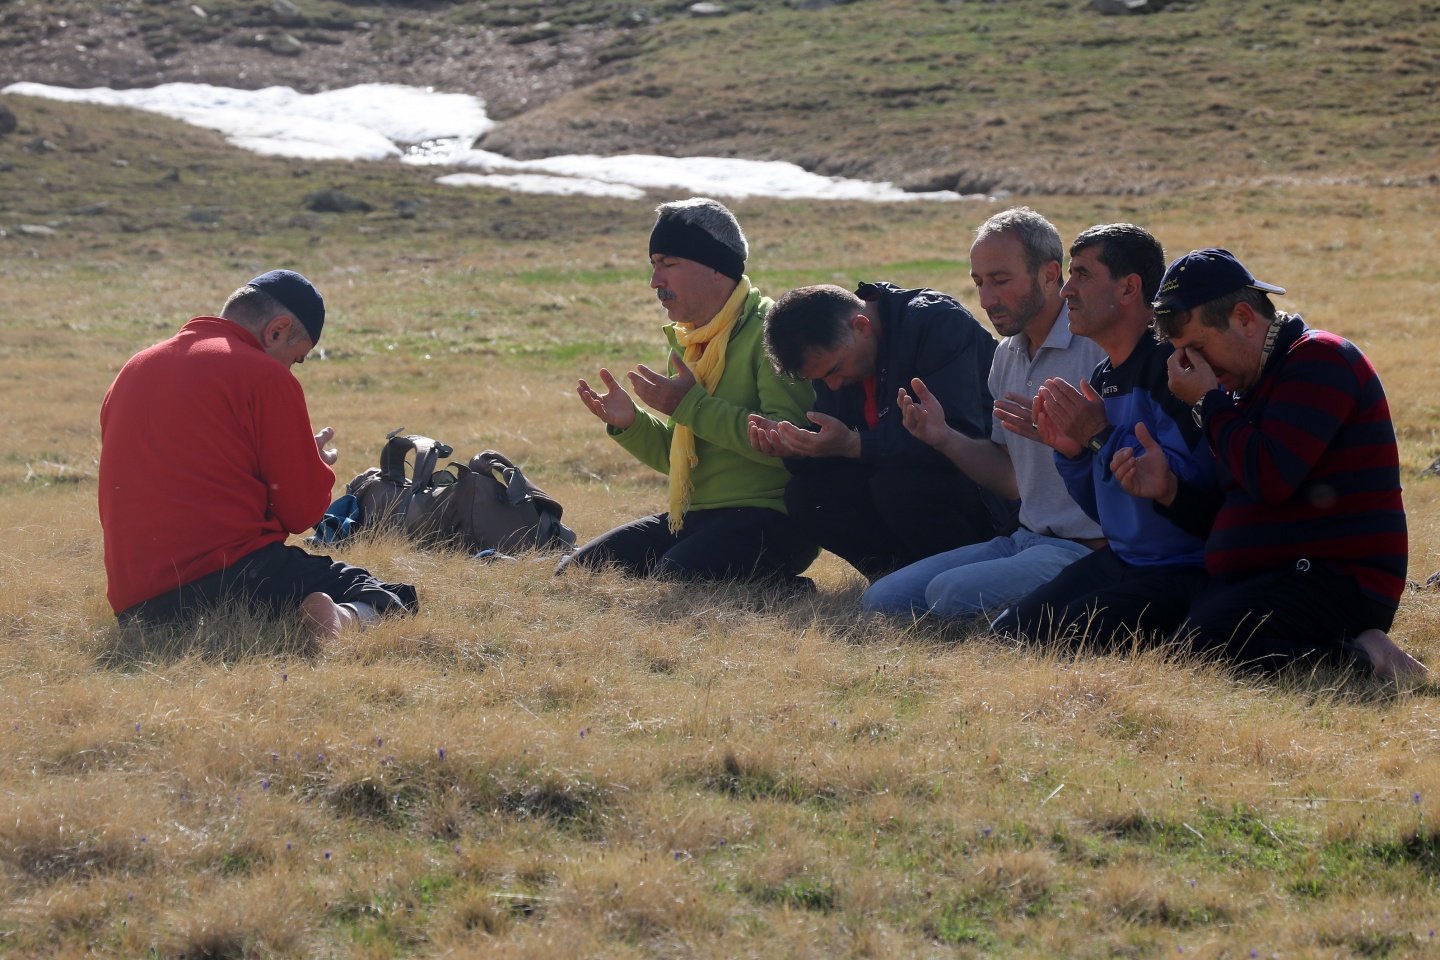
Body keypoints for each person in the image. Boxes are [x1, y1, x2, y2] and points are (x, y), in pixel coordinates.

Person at [1122, 247, 1424, 680]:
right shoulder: (1242, 389)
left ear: (1245, 318)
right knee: (1149, 624)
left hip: (1336, 580)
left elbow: (1270, 478)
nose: (1193, 366)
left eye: (1198, 348)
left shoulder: (1320, 360)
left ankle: (1367, 659)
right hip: (1273, 578)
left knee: (1204, 652)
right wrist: (1168, 491)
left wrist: (1208, 403)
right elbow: (1242, 513)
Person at [99, 270, 417, 637]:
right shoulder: (264, 376)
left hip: (136, 605)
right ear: (277, 330)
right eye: (296, 358)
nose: (290, 368)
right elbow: (301, 514)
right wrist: (311, 464)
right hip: (232, 578)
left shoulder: (133, 369)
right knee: (391, 597)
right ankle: (340, 620)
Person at [861, 207, 1106, 619]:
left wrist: (1074, 437)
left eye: (1000, 281)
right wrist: (943, 437)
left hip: (1087, 548)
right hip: (1023, 539)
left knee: (947, 594)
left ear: (1050, 274)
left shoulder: (1096, 347)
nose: (986, 299)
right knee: (882, 600)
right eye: (979, 282)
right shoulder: (1006, 356)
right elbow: (1009, 479)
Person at [559, 198, 819, 582]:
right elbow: (685, 457)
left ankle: (788, 590)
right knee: (580, 572)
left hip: (774, 520)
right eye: (653, 265)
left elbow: (794, 448)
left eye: (669, 264)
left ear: (717, 267)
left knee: (677, 578)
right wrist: (631, 423)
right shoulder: (690, 343)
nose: (655, 282)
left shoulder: (774, 333)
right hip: (694, 516)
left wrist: (690, 406)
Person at [988, 223, 1218, 649]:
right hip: (1123, 559)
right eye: (1070, 275)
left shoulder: (1174, 369)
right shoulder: (1104, 375)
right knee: (1008, 634)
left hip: (1183, 569)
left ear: (1130, 288)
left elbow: (1193, 490)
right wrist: (1074, 453)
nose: (1066, 290)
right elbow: (1106, 507)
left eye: (1082, 275)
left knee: (1054, 643)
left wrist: (1099, 435)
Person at [748, 282, 1013, 581]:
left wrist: (854, 444)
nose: (832, 385)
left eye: (834, 370)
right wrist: (798, 447)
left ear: (861, 326)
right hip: (899, 480)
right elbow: (846, 436)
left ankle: (964, 580)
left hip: (988, 494)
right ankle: (896, 581)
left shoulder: (935, 322)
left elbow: (958, 434)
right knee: (806, 495)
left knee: (898, 487)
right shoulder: (841, 350)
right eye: (820, 379)